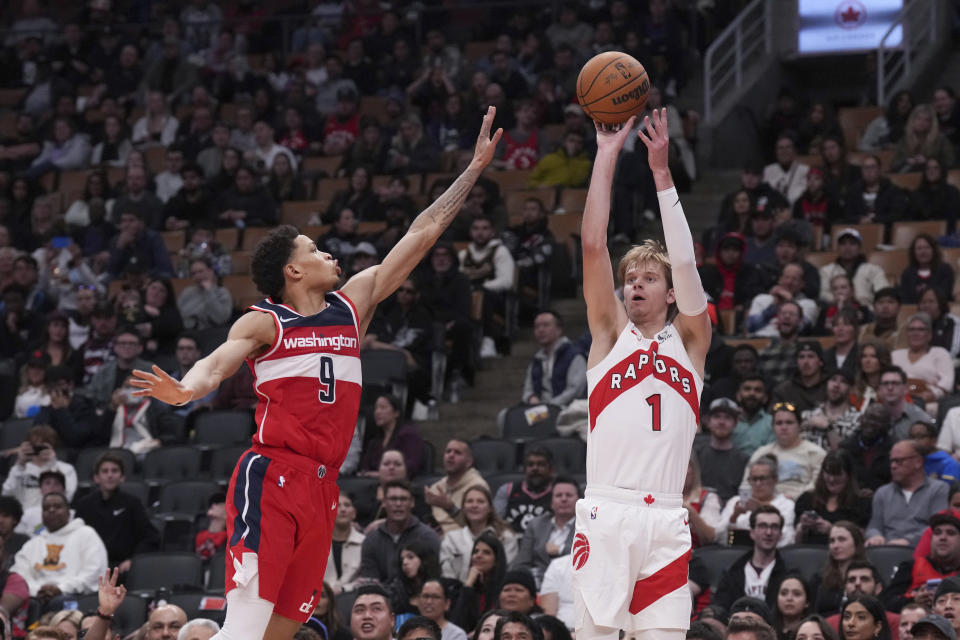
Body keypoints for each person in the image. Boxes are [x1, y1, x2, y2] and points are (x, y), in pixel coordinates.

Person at [129, 107, 503, 640]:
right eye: (314, 249)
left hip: (324, 488)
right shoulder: (265, 320)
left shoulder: (353, 307)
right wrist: (187, 388)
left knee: (280, 632)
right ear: (293, 270)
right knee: (245, 627)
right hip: (274, 478)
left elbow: (421, 234)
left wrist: (472, 170)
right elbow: (219, 360)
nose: (330, 253)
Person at [573, 106, 711, 640]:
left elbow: (688, 262)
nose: (634, 284)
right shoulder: (609, 334)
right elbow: (591, 246)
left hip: (668, 521)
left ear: (671, 291)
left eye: (649, 277)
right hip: (608, 510)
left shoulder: (691, 343)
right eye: (630, 277)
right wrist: (606, 156)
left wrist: (662, 175)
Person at [72, 452, 158, 572]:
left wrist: (133, 560)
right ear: (96, 478)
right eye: (105, 471)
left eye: (114, 471)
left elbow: (150, 537)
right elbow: (76, 539)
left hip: (122, 566)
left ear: (122, 477)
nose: (110, 475)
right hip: (91, 566)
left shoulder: (132, 503)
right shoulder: (84, 505)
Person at [11, 493, 107, 598]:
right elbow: (18, 573)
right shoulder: (33, 543)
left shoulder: (86, 534)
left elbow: (94, 572)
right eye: (46, 508)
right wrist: (37, 590)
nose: (51, 510)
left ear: (69, 512)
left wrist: (62, 589)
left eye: (57, 506)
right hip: (36, 597)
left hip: (76, 597)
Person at [865, 440, 949, 546]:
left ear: (918, 462)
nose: (893, 466)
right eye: (891, 461)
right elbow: (874, 526)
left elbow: (938, 526)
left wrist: (909, 541)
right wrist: (875, 536)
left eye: (899, 461)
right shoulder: (883, 492)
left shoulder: (939, 489)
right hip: (888, 550)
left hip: (924, 550)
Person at [712, 505, 789, 611]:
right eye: (762, 526)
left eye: (774, 527)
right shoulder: (732, 572)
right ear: (752, 533)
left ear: (780, 535)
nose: (768, 532)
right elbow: (719, 609)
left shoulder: (789, 574)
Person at [743, 404, 827, 501]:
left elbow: (818, 484)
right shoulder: (761, 453)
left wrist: (794, 497)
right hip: (764, 504)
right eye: (779, 423)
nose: (784, 427)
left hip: (800, 504)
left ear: (800, 425)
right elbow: (746, 484)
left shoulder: (816, 453)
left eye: (789, 422)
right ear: (773, 427)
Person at [884, 510, 960, 613]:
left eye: (950, 533)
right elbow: (885, 603)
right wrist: (913, 601)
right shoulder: (910, 567)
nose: (942, 537)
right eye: (937, 533)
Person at [440, 485, 518, 582]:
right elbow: (447, 574)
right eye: (469, 501)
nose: (474, 505)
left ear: (490, 508)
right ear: (463, 508)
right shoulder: (451, 538)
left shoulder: (506, 537)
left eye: (480, 501)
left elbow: (506, 571)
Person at [794, 453, 871, 545]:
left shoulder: (861, 503)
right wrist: (802, 528)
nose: (831, 479)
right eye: (828, 473)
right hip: (810, 554)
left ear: (848, 475)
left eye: (837, 474)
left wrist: (832, 530)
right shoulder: (806, 499)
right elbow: (796, 542)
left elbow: (860, 539)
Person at [514, 479, 578, 587]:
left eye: (569, 495)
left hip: (573, 584)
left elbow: (589, 557)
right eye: (558, 495)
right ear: (551, 502)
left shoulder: (585, 526)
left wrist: (560, 549)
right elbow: (521, 563)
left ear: (579, 500)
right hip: (540, 584)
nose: (563, 499)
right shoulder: (535, 525)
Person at [719, 457, 796, 547]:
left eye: (762, 479)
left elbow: (787, 539)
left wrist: (761, 511)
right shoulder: (735, 501)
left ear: (775, 479)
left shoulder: (786, 504)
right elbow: (719, 537)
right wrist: (734, 517)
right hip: (736, 552)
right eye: (754, 479)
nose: (758, 484)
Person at [521, 311, 587, 408]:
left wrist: (551, 406)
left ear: (559, 330)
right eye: (537, 326)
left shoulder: (574, 356)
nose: (540, 330)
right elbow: (528, 389)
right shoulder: (536, 361)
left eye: (546, 325)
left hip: (567, 409)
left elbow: (575, 390)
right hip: (540, 412)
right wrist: (531, 397)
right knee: (505, 415)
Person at [2, 426, 77, 510]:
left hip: (52, 514)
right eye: (34, 446)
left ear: (53, 446)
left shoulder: (66, 469)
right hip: (24, 516)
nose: (38, 449)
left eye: (42, 447)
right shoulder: (19, 469)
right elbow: (7, 495)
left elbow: (67, 497)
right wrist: (20, 464)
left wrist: (52, 465)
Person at [426, 440, 490, 533]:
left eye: (457, 453)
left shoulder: (478, 487)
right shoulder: (435, 488)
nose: (451, 455)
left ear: (469, 462)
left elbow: (479, 526)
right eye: (448, 451)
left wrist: (450, 507)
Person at [450, 533, 508, 633]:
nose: (478, 556)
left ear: (496, 561)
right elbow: (457, 626)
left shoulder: (505, 589)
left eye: (486, 552)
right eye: (476, 551)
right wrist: (468, 584)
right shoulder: (465, 589)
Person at [696, 398, 751, 502]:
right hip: (698, 507)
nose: (721, 422)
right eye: (717, 417)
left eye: (727, 418)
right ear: (708, 421)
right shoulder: (695, 456)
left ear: (735, 423)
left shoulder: (744, 460)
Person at [892, 314, 955, 405]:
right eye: (911, 330)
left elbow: (947, 383)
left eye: (920, 329)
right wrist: (914, 387)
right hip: (897, 397)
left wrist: (931, 393)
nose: (915, 333)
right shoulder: (895, 355)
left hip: (930, 402)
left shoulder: (940, 353)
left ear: (929, 334)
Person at [359, 395, 427, 478]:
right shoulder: (374, 442)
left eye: (383, 407)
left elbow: (412, 466)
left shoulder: (409, 434)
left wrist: (381, 474)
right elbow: (365, 468)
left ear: (396, 413)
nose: (377, 412)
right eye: (376, 408)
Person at [819, 230, 889, 309]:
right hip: (837, 311)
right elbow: (823, 294)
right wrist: (842, 300)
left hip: (868, 311)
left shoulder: (873, 270)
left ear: (859, 248)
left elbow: (883, 292)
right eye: (843, 244)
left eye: (852, 243)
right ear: (837, 248)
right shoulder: (826, 271)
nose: (847, 247)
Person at [494, 448, 556, 534]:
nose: (535, 468)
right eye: (530, 465)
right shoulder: (508, 490)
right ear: (524, 469)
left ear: (551, 470)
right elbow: (496, 523)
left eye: (541, 464)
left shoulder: (558, 493)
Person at [811, 522, 868, 614]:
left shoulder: (869, 575)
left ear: (856, 543)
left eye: (842, 540)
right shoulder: (819, 578)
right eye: (832, 541)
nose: (835, 546)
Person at [799, 370, 861, 450]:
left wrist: (829, 428)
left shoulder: (857, 419)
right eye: (833, 379)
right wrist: (805, 424)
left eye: (843, 382)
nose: (836, 385)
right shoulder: (809, 414)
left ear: (851, 389)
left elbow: (846, 452)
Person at [840, 403, 894, 492]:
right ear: (861, 419)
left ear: (887, 425)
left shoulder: (894, 450)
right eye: (868, 418)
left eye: (877, 420)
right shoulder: (845, 447)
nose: (871, 423)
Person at [322, 491, 364, 596]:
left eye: (347, 505)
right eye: (337, 505)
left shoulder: (365, 543)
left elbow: (366, 578)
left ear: (354, 513)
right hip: (318, 598)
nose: (343, 509)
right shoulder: (316, 542)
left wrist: (344, 589)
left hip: (353, 597)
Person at [770, 344, 828, 416]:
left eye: (811, 356)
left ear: (821, 362)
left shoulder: (830, 387)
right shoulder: (783, 391)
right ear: (797, 362)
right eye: (801, 357)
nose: (805, 362)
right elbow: (773, 415)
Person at [899, 236, 954, 306]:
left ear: (934, 250)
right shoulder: (907, 273)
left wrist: (924, 290)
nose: (923, 251)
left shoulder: (945, 270)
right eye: (919, 248)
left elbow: (945, 293)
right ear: (913, 252)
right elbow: (905, 298)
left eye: (927, 248)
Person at [734, 377, 775, 456]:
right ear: (738, 396)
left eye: (758, 390)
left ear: (765, 398)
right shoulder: (729, 422)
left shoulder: (773, 423)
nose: (752, 393)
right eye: (747, 389)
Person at [772, 573, 811, 640]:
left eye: (797, 594)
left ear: (807, 602)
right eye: (784, 593)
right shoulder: (767, 631)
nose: (789, 598)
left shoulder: (813, 632)